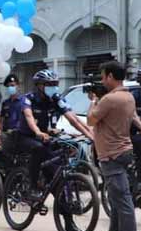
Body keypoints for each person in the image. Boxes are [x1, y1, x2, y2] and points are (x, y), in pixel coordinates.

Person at [15, 70, 92, 201]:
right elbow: (29, 117)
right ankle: (32, 186)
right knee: (38, 149)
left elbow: (73, 118)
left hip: (45, 137)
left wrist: (90, 134)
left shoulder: (56, 99)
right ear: (39, 85)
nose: (53, 87)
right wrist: (38, 132)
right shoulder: (28, 99)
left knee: (65, 150)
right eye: (49, 84)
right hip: (26, 137)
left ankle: (66, 207)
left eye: (55, 84)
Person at [86, 61, 138, 231]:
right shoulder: (128, 97)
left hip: (112, 153)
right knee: (115, 198)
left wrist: (93, 101)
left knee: (122, 199)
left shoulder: (109, 99)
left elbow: (91, 119)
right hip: (123, 150)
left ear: (110, 76)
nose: (101, 80)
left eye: (103, 76)